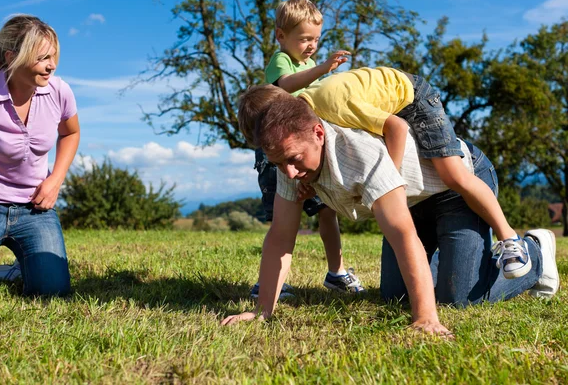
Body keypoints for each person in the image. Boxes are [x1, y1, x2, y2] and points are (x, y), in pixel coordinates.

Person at [222, 85, 559, 335]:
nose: (290, 174)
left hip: (453, 188)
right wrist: (262, 311)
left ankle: (536, 252)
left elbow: (401, 232)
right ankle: (452, 265)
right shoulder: (289, 167)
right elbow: (280, 238)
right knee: (395, 297)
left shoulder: (360, 155)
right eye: (280, 164)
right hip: (412, 201)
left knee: (456, 298)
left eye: (294, 160)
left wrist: (426, 317)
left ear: (318, 132)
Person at [295, 67, 529, 279]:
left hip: (414, 97)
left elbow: (395, 127)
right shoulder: (304, 111)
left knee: (453, 174)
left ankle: (510, 237)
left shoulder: (332, 105)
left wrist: (390, 179)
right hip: (395, 103)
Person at [252, 0, 359, 299]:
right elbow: (285, 86)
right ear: (281, 36)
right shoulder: (281, 61)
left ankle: (337, 272)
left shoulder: (310, 63)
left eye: (315, 39)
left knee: (327, 210)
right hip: (278, 152)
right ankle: (270, 281)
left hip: (306, 148)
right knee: (284, 217)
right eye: (304, 39)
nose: (311, 45)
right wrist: (323, 69)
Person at [0, 15, 80, 296]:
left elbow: (70, 133)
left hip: (35, 209)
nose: (51, 65)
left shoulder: (59, 91)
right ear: (12, 57)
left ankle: (18, 269)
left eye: (53, 56)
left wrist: (55, 179)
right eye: (42, 57)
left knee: (51, 292)